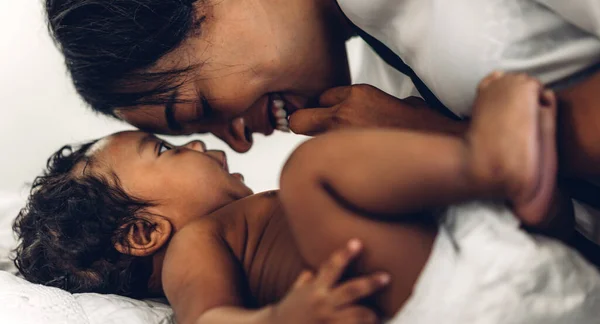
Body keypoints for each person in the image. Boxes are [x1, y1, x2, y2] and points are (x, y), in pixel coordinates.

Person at [13, 73, 600, 323]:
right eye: (163, 152)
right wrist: (282, 319)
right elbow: (210, 320)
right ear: (144, 233)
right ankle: (489, 159)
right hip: (454, 300)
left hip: (510, 267)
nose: (194, 141)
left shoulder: (245, 224)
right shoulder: (197, 247)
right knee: (309, 171)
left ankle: (524, 190)